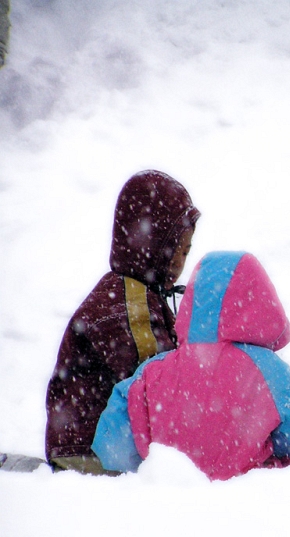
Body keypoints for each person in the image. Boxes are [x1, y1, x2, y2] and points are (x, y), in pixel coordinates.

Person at [92, 251, 290, 481]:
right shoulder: (263, 368)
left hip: (177, 484)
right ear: (260, 306)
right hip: (250, 483)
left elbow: (113, 447)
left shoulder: (152, 373)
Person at [45, 170, 201, 474]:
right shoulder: (128, 304)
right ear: (156, 246)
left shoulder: (142, 294)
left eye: (187, 251)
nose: (183, 262)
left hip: (101, 444)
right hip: (87, 454)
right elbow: (157, 382)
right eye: (179, 250)